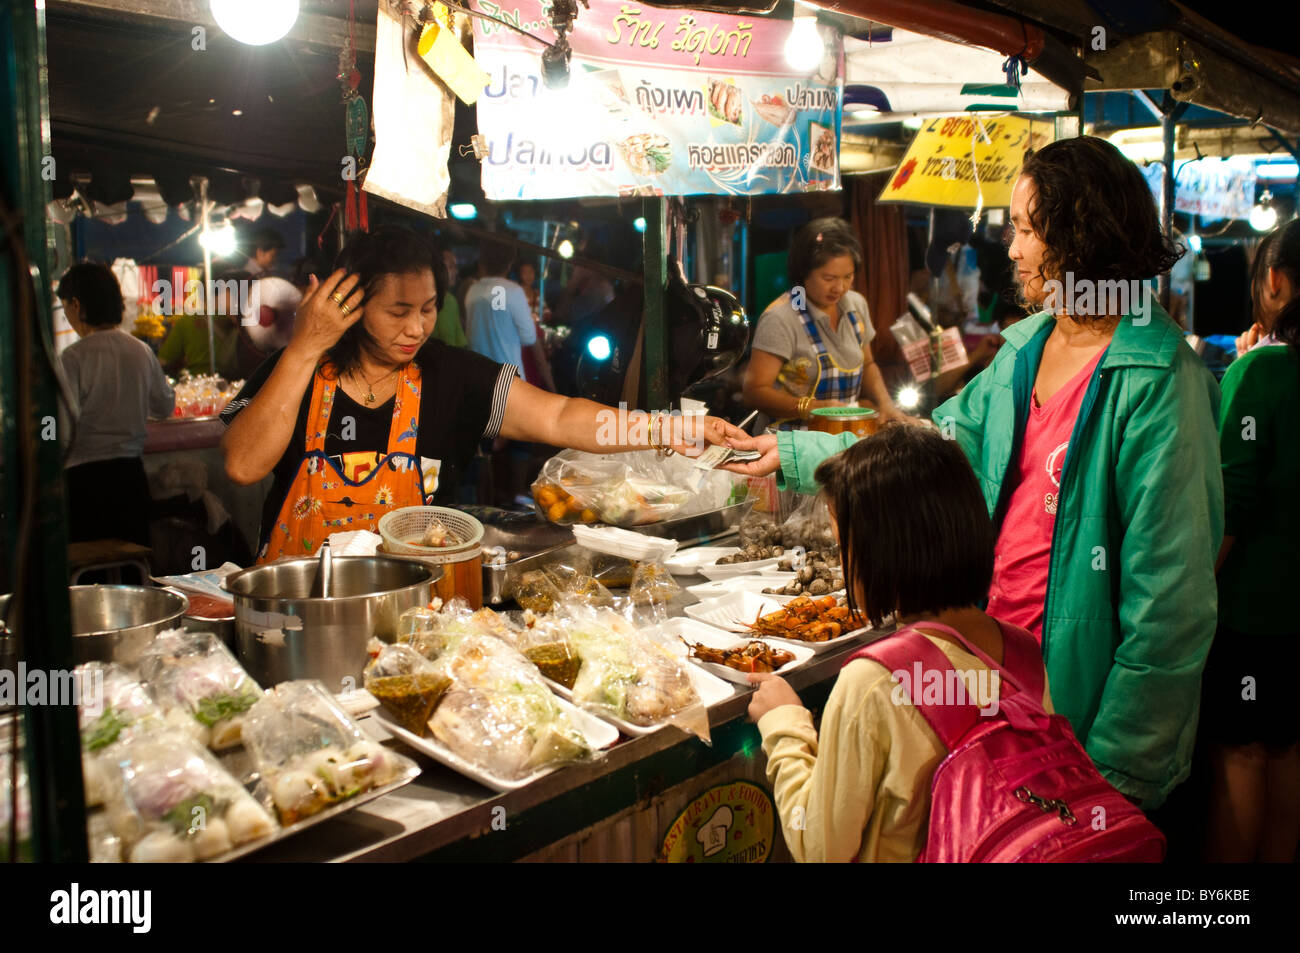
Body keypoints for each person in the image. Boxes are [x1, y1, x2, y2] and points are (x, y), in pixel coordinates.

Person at [722, 136, 1223, 812]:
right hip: (986, 681)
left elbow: (1169, 611)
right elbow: (928, 446)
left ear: (1080, 236)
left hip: (1080, 722)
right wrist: (798, 454)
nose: (1011, 249)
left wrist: (1114, 783)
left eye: (1024, 229)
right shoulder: (1023, 352)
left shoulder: (1160, 382)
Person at [220, 226, 741, 560]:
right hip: (303, 608)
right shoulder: (296, 370)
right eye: (397, 312)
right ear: (350, 305)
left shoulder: (451, 376)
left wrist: (670, 428)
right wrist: (305, 348)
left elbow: (559, 417)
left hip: (416, 613)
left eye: (427, 308)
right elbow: (243, 465)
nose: (417, 328)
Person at [749, 424, 1053, 861]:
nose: (844, 563)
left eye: (843, 547)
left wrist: (785, 726)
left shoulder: (872, 683)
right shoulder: (1023, 652)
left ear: (882, 551)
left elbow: (820, 847)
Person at [1203, 219, 1300, 862]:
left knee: (1242, 751)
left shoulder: (1263, 373)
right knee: (1290, 748)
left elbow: (1229, 506)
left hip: (1252, 618)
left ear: (1273, 281)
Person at [742, 217, 905, 429]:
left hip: (841, 435)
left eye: (848, 276)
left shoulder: (856, 305)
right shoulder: (781, 317)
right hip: (789, 440)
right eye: (829, 278)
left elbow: (868, 364)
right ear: (803, 273)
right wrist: (814, 408)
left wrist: (886, 404)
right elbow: (754, 392)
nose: (840, 287)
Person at [58, 262, 175, 545]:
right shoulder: (142, 351)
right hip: (130, 479)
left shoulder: (72, 358)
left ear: (76, 305)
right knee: (133, 569)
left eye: (64, 307)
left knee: (87, 576)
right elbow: (164, 407)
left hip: (84, 483)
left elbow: (61, 430)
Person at [464, 237, 555, 392]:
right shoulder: (513, 291)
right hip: (509, 384)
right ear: (510, 264)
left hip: (477, 381)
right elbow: (529, 337)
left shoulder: (472, 291)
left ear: (482, 261)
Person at [157, 270, 243, 379]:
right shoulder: (237, 317)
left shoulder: (187, 320)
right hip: (236, 384)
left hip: (197, 386)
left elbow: (162, 360)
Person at [428, 249, 468, 348]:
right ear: (438, 269)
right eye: (451, 267)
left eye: (455, 267)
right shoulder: (445, 300)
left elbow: (460, 342)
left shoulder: (451, 300)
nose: (456, 271)